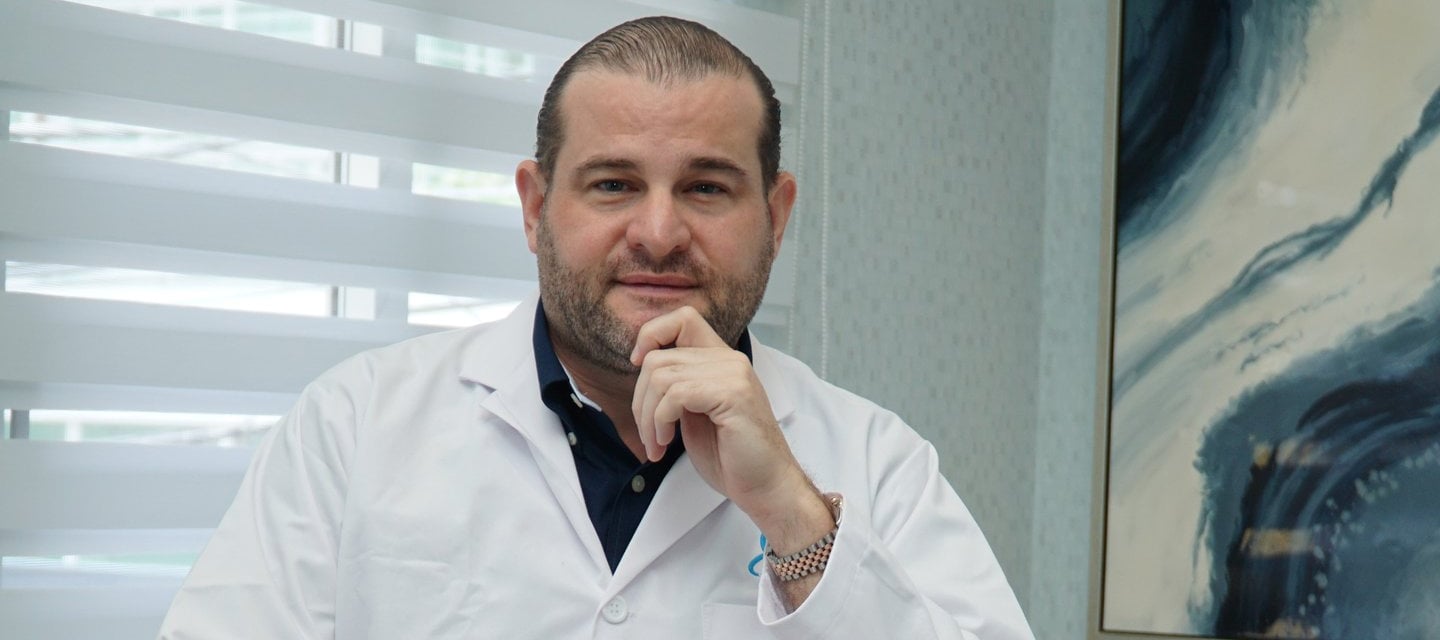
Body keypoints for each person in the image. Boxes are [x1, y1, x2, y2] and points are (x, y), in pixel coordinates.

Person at [159, 16, 1033, 640]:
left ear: (776, 215)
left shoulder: (878, 463)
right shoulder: (355, 426)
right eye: (613, 184)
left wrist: (795, 519)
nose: (658, 232)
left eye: (707, 187)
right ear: (535, 208)